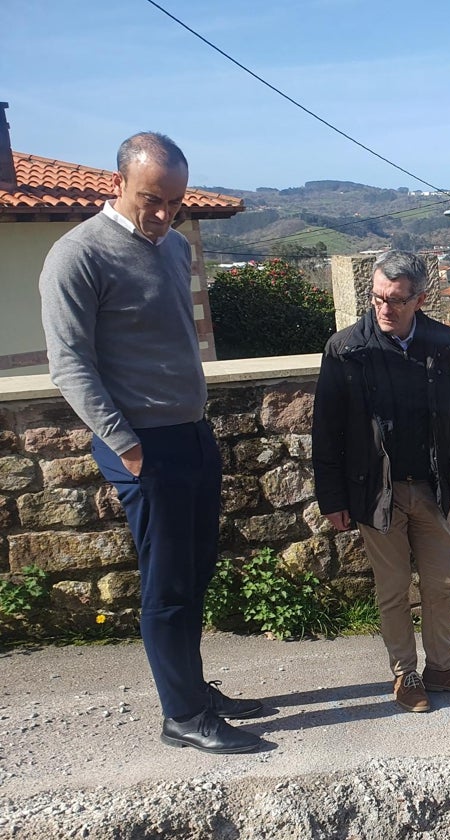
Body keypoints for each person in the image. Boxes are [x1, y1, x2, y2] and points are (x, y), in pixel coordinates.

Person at [39, 132, 263, 754]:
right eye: (151, 200)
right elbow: (69, 366)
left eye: (176, 202)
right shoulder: (77, 255)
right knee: (166, 583)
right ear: (118, 184)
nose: (165, 215)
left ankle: (190, 689)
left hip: (191, 434)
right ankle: (183, 718)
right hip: (143, 446)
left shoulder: (170, 250)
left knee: (195, 571)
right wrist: (127, 446)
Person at [312, 249, 450, 712]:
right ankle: (405, 675)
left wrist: (448, 475)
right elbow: (326, 431)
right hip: (375, 491)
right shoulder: (346, 349)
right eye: (377, 299)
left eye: (394, 300)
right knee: (393, 589)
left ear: (420, 300)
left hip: (429, 487)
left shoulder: (444, 343)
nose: (384, 309)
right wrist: (332, 497)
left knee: (442, 581)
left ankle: (442, 667)